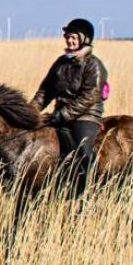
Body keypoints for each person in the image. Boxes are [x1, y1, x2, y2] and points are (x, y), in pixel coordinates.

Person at [31, 17, 109, 196]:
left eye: (73, 37)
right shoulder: (61, 62)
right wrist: (29, 112)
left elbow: (89, 96)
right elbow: (45, 91)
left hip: (85, 116)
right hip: (60, 114)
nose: (69, 40)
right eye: (67, 37)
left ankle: (89, 187)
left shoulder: (94, 65)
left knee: (82, 148)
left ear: (85, 39)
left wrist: (64, 114)